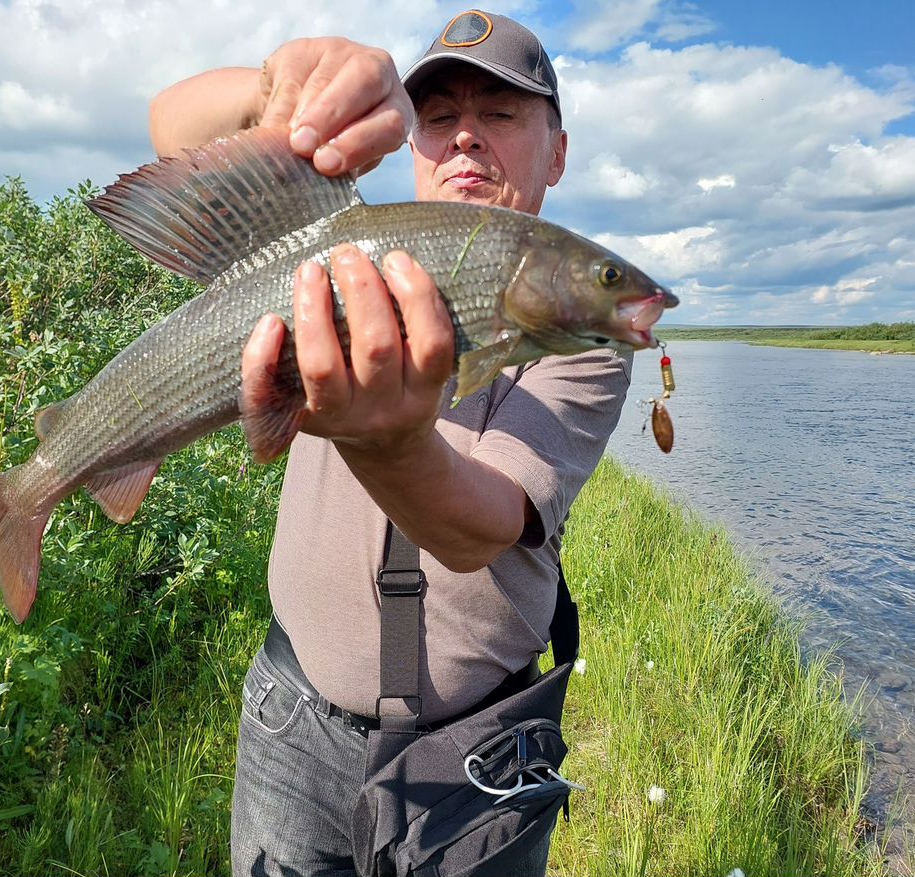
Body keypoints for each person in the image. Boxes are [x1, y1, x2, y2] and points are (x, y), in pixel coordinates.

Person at [150, 11, 632, 876]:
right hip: (293, 722)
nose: (466, 141)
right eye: (439, 117)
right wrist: (277, 92)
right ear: (411, 143)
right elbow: (168, 124)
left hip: (477, 757)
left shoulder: (583, 345)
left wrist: (387, 444)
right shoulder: (333, 246)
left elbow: (479, 526)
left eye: (503, 114)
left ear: (557, 151)